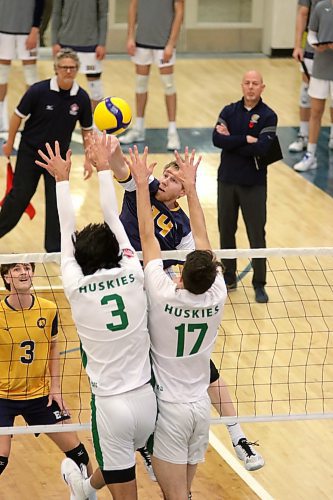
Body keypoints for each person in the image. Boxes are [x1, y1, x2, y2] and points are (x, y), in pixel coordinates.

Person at [88, 132, 265, 472]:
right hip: (127, 293)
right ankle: (146, 450)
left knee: (206, 370)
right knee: (137, 381)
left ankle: (238, 436)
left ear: (182, 192)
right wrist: (114, 146)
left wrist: (172, 279)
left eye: (173, 180)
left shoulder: (183, 226)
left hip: (156, 300)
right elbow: (121, 167)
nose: (165, 181)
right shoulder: (142, 189)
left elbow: (195, 265)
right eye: (164, 176)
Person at [36, 138, 157, 500]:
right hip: (147, 400)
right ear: (118, 253)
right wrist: (105, 167)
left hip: (110, 406)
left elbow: (65, 230)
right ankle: (85, 490)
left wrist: (60, 179)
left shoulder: (74, 285)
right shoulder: (134, 270)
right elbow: (113, 218)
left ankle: (86, 489)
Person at [124, 144, 225, 499]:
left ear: (182, 276)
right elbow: (203, 237)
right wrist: (193, 188)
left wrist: (140, 184)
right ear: (214, 275)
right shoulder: (217, 296)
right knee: (185, 493)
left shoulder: (164, 295)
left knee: (176, 497)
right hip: (200, 409)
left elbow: (146, 236)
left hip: (170, 411)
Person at [0, 262, 95, 498]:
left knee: (80, 455)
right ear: (6, 277)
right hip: (2, 397)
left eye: (27, 268)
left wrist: (55, 388)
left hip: (40, 396)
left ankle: (87, 494)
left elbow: (53, 346)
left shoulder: (49, 308)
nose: (24, 272)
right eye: (16, 269)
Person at [0, 48, 93, 253]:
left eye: (72, 67)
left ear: (77, 69)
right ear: (56, 69)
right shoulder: (38, 90)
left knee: (57, 202)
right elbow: (17, 116)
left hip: (57, 160)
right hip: (30, 153)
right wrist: (9, 143)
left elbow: (87, 131)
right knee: (19, 197)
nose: (68, 71)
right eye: (64, 67)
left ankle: (54, 249)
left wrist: (88, 158)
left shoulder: (82, 98)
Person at [212, 69, 278, 304]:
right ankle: (229, 277)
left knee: (256, 235)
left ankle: (259, 284)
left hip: (254, 184)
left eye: (255, 83)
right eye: (247, 83)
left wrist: (232, 139)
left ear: (262, 87)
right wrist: (245, 139)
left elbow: (262, 149)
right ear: (242, 86)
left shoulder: (269, 116)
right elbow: (217, 139)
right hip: (227, 181)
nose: (251, 87)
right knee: (226, 231)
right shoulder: (228, 111)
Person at [119, 0, 184, 151]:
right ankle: (139, 128)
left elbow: (179, 12)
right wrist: (130, 36)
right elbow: (133, 6)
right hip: (142, 41)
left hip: (164, 43)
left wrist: (171, 43)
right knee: (140, 84)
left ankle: (172, 132)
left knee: (168, 85)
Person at [289, 0, 333, 153]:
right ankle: (303, 134)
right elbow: (303, 13)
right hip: (313, 48)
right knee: (307, 90)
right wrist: (297, 45)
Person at [52, 0, 109, 110]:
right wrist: (54, 41)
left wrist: (102, 43)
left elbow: (103, 15)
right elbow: (56, 13)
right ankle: (61, 124)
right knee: (61, 88)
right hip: (65, 43)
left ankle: (96, 125)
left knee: (95, 89)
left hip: (91, 44)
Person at [0, 0, 44, 132]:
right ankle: (1, 117)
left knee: (31, 77)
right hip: (3, 30)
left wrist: (35, 29)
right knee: (2, 76)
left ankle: (32, 115)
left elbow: (40, 4)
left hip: (27, 31)